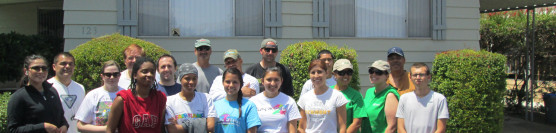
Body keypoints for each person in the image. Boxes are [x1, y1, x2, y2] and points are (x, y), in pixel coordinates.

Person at [8, 55, 69, 133]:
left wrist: (64, 125)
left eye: (44, 68)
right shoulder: (18, 97)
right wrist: (42, 127)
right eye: (36, 68)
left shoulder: (52, 91)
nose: (41, 72)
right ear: (26, 71)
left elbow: (61, 117)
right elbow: (13, 130)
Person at [107, 57, 167, 133]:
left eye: (152, 72)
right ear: (135, 75)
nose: (149, 74)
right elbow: (110, 130)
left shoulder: (160, 97)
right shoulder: (122, 99)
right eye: (144, 71)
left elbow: (161, 128)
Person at [297, 59, 348, 133]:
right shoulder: (305, 98)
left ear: (327, 73)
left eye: (320, 72)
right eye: (313, 72)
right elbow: (301, 127)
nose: (316, 76)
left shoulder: (337, 96)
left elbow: (342, 127)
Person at [396, 63, 449, 133]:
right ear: (410, 78)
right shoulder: (404, 99)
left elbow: (441, 129)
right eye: (415, 75)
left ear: (429, 77)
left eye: (421, 75)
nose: (418, 77)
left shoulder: (439, 99)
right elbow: (400, 128)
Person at [74, 60, 125, 132]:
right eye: (108, 74)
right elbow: (80, 125)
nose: (112, 77)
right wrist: (108, 128)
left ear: (119, 75)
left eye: (115, 74)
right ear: (102, 76)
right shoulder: (93, 95)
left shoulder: (126, 94)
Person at [165, 63, 216, 133]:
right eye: (187, 78)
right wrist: (202, 123)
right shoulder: (170, 101)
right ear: (180, 79)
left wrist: (182, 126)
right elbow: (172, 130)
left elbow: (210, 127)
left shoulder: (206, 98)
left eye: (194, 78)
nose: (191, 82)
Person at [250, 67, 301, 133]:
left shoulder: (289, 101)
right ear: (262, 81)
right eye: (269, 80)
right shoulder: (253, 102)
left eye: (276, 80)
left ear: (281, 81)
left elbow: (292, 130)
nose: (273, 83)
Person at [47, 52, 86, 133]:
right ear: (54, 66)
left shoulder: (80, 88)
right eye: (63, 64)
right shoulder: (47, 87)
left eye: (71, 64)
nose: (67, 66)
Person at [213, 68, 261, 133]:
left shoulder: (249, 106)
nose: (231, 85)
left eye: (235, 82)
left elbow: (252, 131)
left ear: (241, 84)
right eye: (228, 82)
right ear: (222, 83)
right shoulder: (214, 106)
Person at [361, 60, 399, 133]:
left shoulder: (390, 95)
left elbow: (392, 127)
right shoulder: (369, 92)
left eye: (378, 72)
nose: (373, 74)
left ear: (387, 76)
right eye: (371, 71)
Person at [330, 59, 366, 133]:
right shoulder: (327, 92)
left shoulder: (356, 95)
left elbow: (357, 123)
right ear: (334, 74)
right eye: (341, 72)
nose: (346, 75)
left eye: (349, 72)